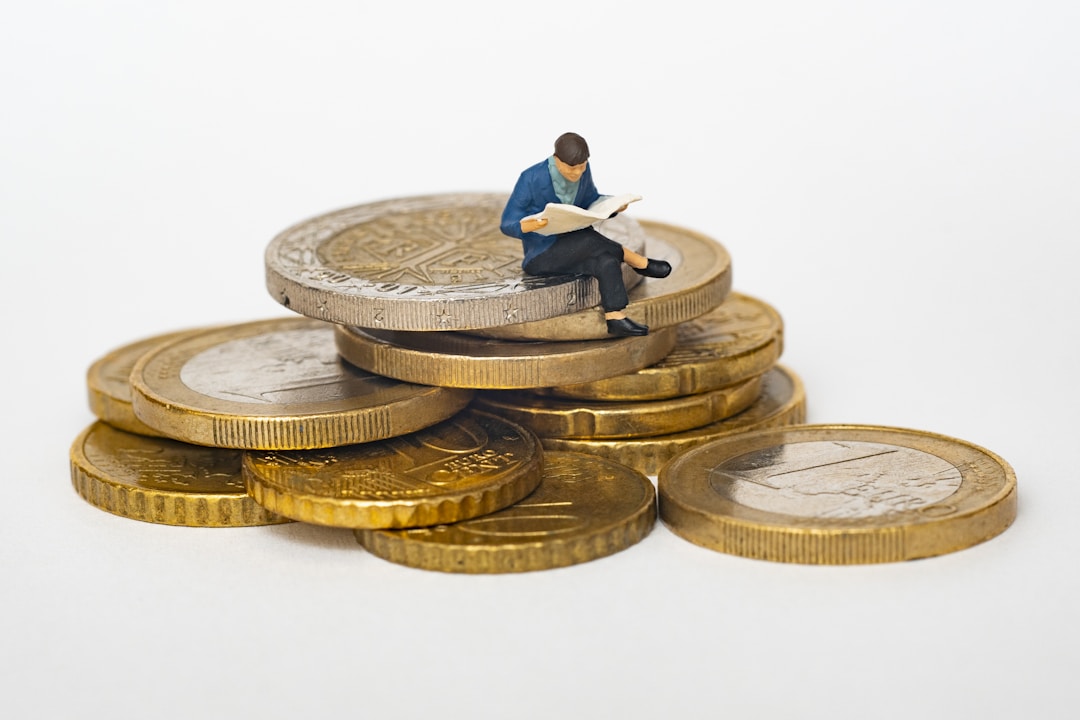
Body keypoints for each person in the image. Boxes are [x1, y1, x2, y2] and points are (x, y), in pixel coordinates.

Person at [500, 132, 671, 337]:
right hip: (543, 254)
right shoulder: (531, 177)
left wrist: (612, 206)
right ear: (556, 160)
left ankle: (615, 317)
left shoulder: (583, 170)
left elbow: (591, 199)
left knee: (606, 261)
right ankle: (640, 263)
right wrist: (528, 226)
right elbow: (507, 222)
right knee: (588, 239)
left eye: (582, 166)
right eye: (572, 168)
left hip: (577, 247)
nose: (578, 172)